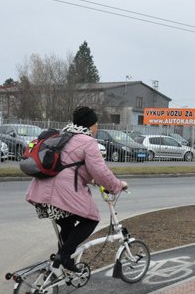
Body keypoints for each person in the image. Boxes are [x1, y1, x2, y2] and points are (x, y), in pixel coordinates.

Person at [26, 106, 127, 271]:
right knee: (91, 219)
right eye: (96, 124)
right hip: (59, 193)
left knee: (68, 224)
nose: (97, 128)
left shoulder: (63, 135)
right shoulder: (88, 142)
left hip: (41, 192)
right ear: (90, 125)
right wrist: (117, 185)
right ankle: (64, 256)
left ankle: (62, 264)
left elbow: (70, 165)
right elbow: (100, 171)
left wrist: (90, 179)